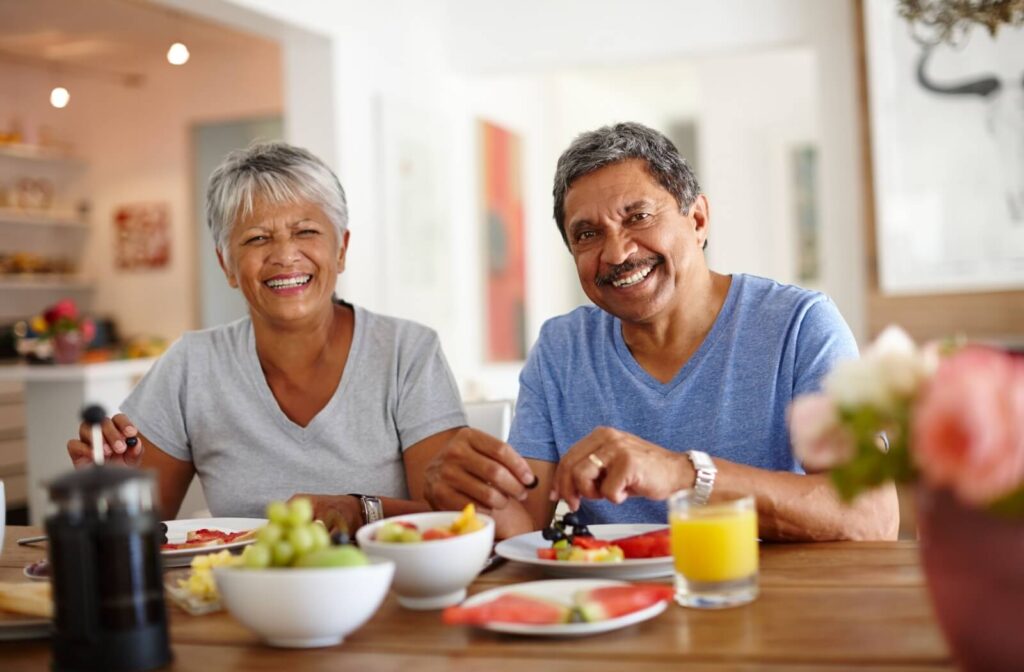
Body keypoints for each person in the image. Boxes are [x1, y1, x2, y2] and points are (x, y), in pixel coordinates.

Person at [425, 122, 899, 541]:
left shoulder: (800, 326)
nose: (615, 254)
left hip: (766, 607)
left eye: (638, 217)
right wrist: (467, 493)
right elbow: (524, 526)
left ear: (697, 220)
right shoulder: (561, 349)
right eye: (587, 234)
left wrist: (683, 474)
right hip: (612, 617)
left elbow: (870, 515)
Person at [67, 142, 466, 531]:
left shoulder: (408, 353)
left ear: (341, 249)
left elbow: (453, 519)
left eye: (306, 231)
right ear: (226, 263)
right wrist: (113, 489)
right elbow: (139, 531)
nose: (284, 255)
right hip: (239, 593)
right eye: (257, 238)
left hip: (386, 590)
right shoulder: (192, 365)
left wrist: (358, 510)